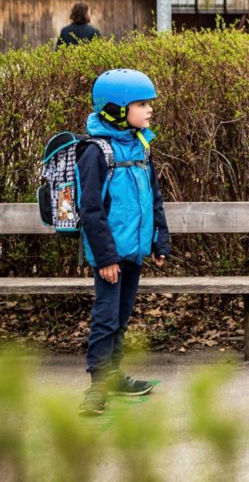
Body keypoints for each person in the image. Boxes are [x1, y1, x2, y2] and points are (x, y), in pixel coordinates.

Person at [77, 69, 170, 416]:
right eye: (142, 104)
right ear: (116, 109)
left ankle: (114, 374)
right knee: (105, 316)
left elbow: (153, 197)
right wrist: (105, 258)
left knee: (123, 314)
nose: (149, 110)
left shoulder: (141, 145)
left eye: (149, 104)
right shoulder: (96, 152)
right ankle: (97, 386)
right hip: (110, 256)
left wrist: (160, 239)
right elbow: (90, 210)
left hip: (134, 250)